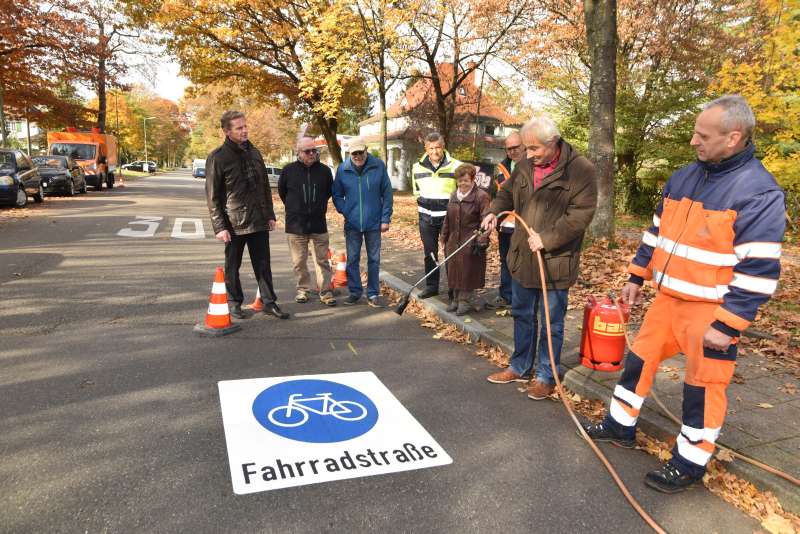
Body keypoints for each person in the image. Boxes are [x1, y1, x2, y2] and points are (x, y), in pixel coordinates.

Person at [582, 95, 786, 494]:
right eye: (694, 131)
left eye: (702, 135)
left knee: (703, 387)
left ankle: (690, 462)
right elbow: (655, 233)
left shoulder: (758, 192)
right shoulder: (684, 176)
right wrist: (636, 277)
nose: (694, 140)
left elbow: (759, 270)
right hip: (667, 300)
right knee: (637, 363)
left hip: (711, 312)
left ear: (733, 137)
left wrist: (728, 324)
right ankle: (619, 426)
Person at [481, 114, 597, 399]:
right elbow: (505, 194)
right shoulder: (523, 166)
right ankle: (520, 366)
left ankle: (547, 374)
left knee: (550, 322)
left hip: (555, 262)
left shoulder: (581, 170)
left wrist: (547, 239)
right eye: (526, 148)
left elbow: (580, 216)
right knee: (522, 314)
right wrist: (492, 212)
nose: (528, 154)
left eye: (534, 149)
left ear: (554, 143)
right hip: (523, 258)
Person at [205, 110, 289, 320]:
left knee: (263, 264)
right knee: (233, 266)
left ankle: (269, 302)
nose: (244, 130)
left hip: (259, 220)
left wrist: (270, 215)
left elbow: (263, 187)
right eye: (239, 127)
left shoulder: (255, 153)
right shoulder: (218, 157)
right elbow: (212, 196)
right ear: (227, 131)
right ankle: (234, 303)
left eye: (245, 126)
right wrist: (220, 227)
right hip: (234, 223)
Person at [332, 138, 393, 307]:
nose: (358, 156)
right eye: (354, 154)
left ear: (366, 150)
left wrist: (385, 218)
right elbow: (336, 194)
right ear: (349, 154)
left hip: (374, 222)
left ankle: (373, 294)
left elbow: (387, 193)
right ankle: (355, 292)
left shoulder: (378, 166)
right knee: (352, 259)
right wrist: (345, 210)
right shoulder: (343, 170)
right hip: (352, 223)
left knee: (374, 259)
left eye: (361, 152)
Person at [278, 137, 336, 306]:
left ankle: (326, 291)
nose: (312, 154)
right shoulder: (288, 170)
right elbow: (283, 193)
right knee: (299, 261)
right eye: (307, 151)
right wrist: (296, 208)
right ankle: (303, 289)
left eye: (314, 150)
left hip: (318, 223)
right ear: (299, 152)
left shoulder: (325, 171)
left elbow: (328, 193)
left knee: (322, 260)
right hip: (296, 225)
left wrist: (316, 207)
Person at [411, 132, 462, 299]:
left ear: (443, 146)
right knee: (430, 253)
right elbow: (416, 190)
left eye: (438, 147)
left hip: (449, 219)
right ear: (426, 148)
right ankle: (432, 286)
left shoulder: (456, 166)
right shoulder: (417, 167)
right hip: (426, 219)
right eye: (431, 148)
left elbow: (462, 192)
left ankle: (454, 290)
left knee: (451, 253)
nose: (435, 151)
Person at [440, 163, 491, 315]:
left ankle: (465, 300)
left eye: (466, 180)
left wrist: (482, 239)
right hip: (453, 239)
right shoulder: (454, 195)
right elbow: (447, 218)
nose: (462, 183)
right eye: (460, 180)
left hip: (471, 239)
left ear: (473, 179)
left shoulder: (481, 196)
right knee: (454, 269)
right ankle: (455, 299)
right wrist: (444, 237)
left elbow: (486, 219)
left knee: (467, 270)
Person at [492, 132, 527, 309]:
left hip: (523, 225)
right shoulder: (501, 168)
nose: (512, 152)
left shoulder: (532, 167)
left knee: (520, 263)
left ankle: (519, 300)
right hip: (504, 223)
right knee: (505, 261)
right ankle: (505, 296)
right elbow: (497, 194)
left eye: (516, 148)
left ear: (524, 146)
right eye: (509, 149)